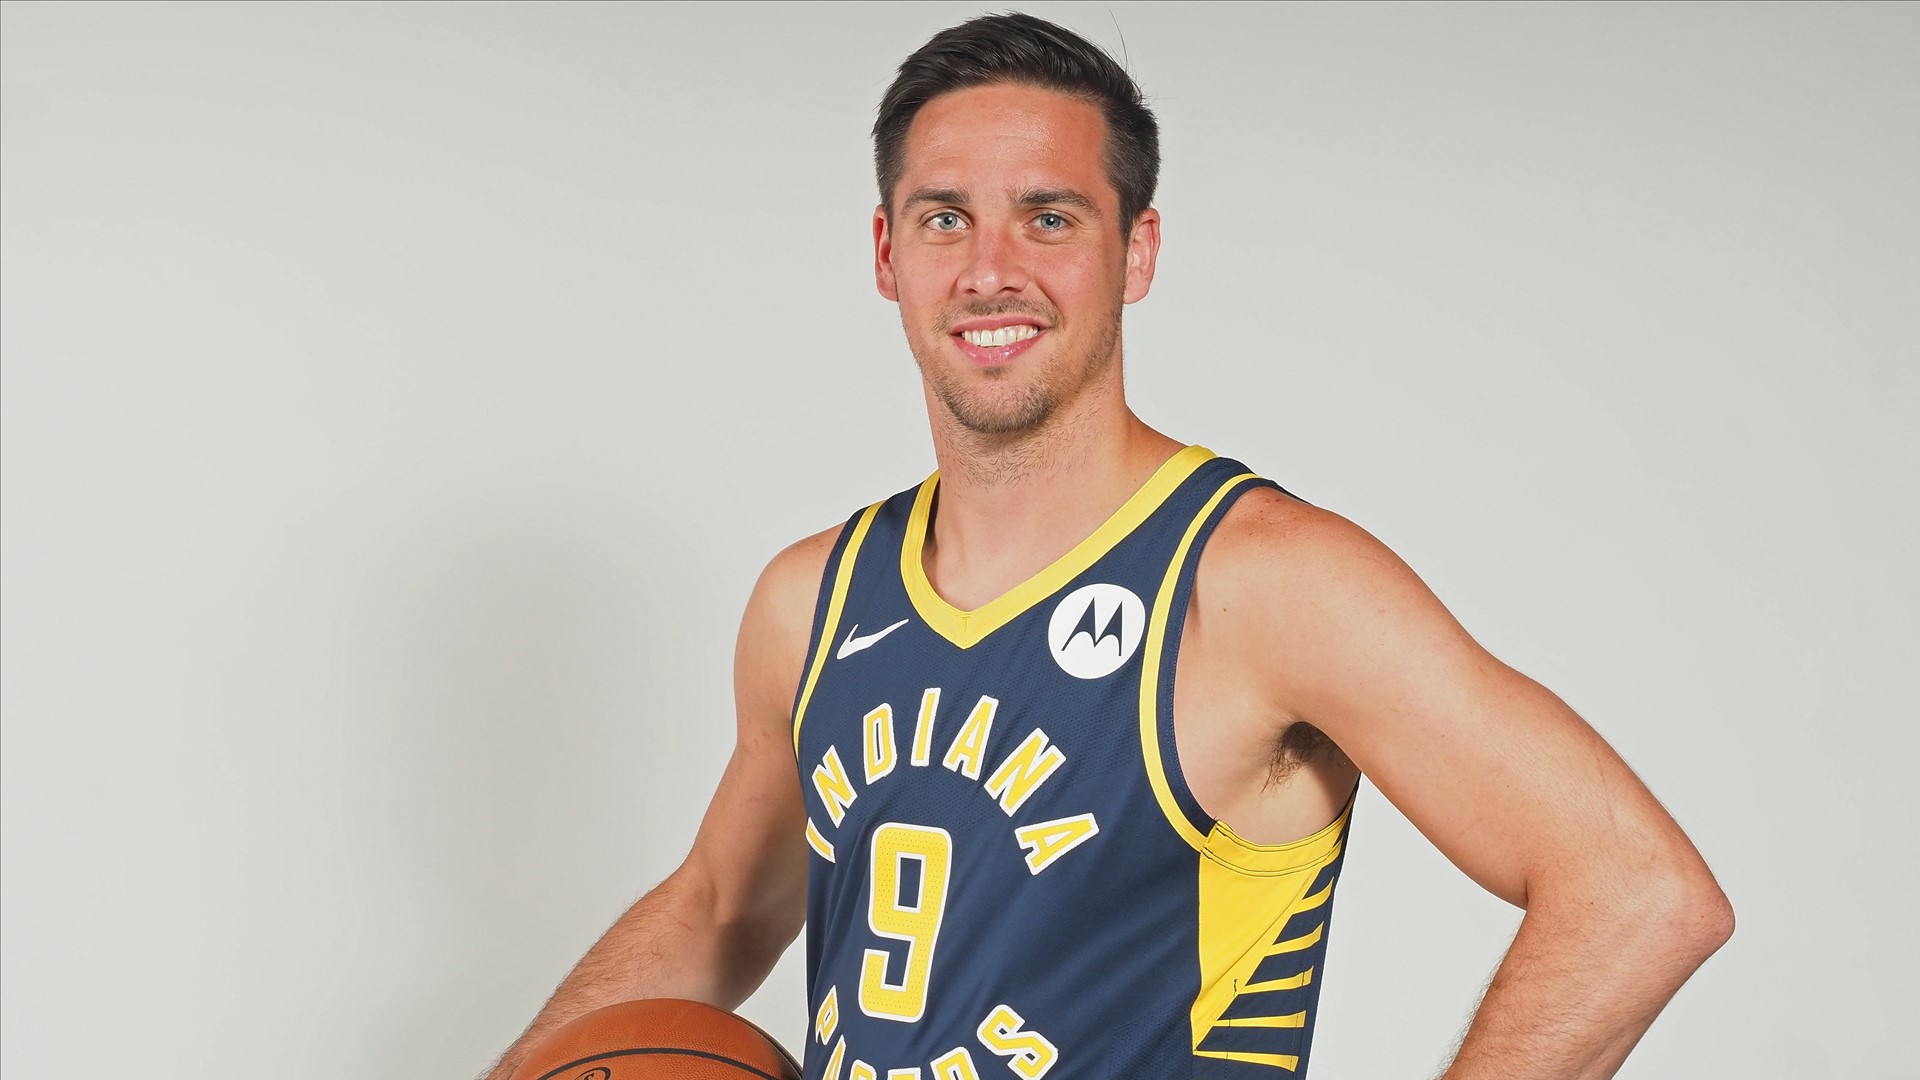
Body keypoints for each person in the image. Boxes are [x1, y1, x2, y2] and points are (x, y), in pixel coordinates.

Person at [484, 12, 1732, 1080]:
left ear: (1135, 251)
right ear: (886, 255)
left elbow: (1637, 894)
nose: (990, 270)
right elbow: (717, 907)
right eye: (944, 218)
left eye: (1048, 217)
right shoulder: (811, 599)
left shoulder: (1260, 583)